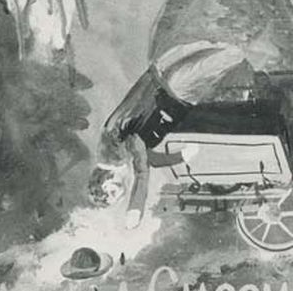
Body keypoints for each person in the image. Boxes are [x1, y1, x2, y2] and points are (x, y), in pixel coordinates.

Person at [88, 42, 255, 228]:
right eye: (117, 198)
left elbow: (141, 161)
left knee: (232, 55)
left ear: (104, 182)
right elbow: (150, 158)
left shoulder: (112, 151)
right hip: (177, 95)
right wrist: (181, 156)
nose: (119, 194)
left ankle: (253, 42)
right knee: (227, 65)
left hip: (176, 90)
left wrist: (135, 209)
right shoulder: (117, 153)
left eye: (111, 194)